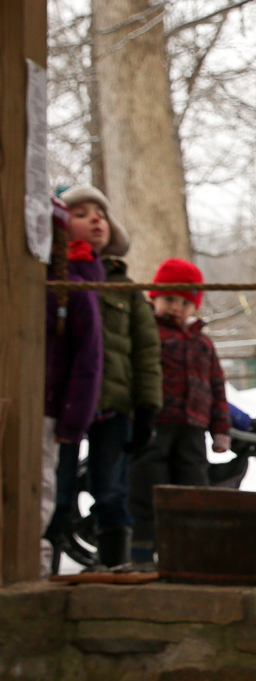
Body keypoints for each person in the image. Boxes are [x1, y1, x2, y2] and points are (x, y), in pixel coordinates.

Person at [58, 185, 162, 569]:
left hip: (115, 406)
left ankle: (114, 565)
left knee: (112, 491)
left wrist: (148, 407)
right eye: (82, 213)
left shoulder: (126, 288)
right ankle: (48, 560)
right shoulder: (55, 280)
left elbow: (147, 352)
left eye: (99, 212)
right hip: (64, 404)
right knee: (60, 487)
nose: (95, 219)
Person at [128, 258, 232, 565]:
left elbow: (217, 387)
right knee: (148, 488)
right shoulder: (147, 333)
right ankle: (142, 554)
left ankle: (188, 555)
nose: (175, 307)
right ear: (154, 297)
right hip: (154, 425)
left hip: (192, 427)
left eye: (184, 302)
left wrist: (221, 427)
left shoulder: (203, 343)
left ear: (194, 307)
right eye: (169, 299)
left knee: (193, 490)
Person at [42, 195, 105, 573]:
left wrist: (72, 421)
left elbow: (90, 358)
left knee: (52, 494)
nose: (94, 220)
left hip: (54, 413)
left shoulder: (74, 287)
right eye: (82, 215)